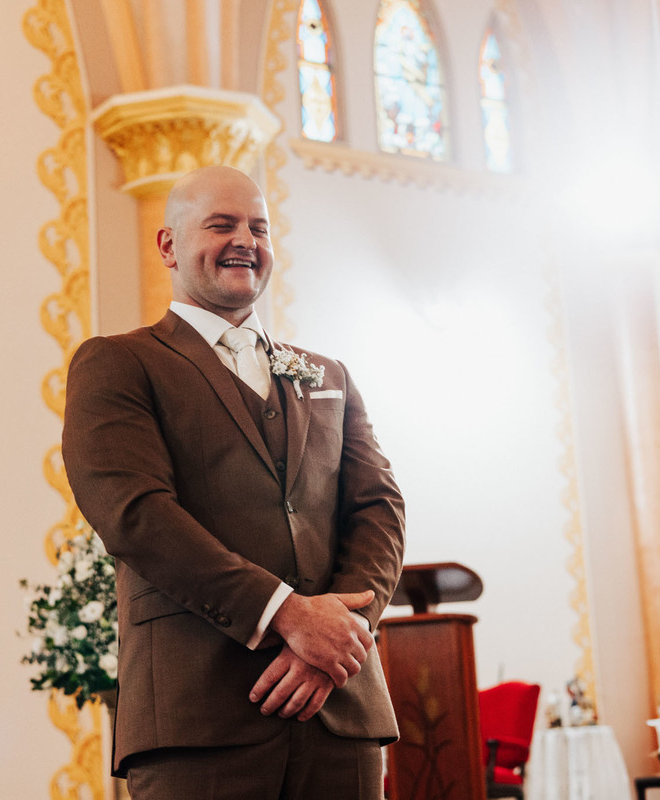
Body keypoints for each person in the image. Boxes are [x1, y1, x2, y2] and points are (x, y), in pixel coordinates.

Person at [62, 166, 406, 799]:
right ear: (168, 246)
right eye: (221, 225)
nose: (245, 240)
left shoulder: (326, 373)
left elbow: (379, 507)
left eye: (259, 228)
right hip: (199, 718)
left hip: (339, 713)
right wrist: (287, 615)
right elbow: (136, 514)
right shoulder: (121, 363)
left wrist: (339, 635)